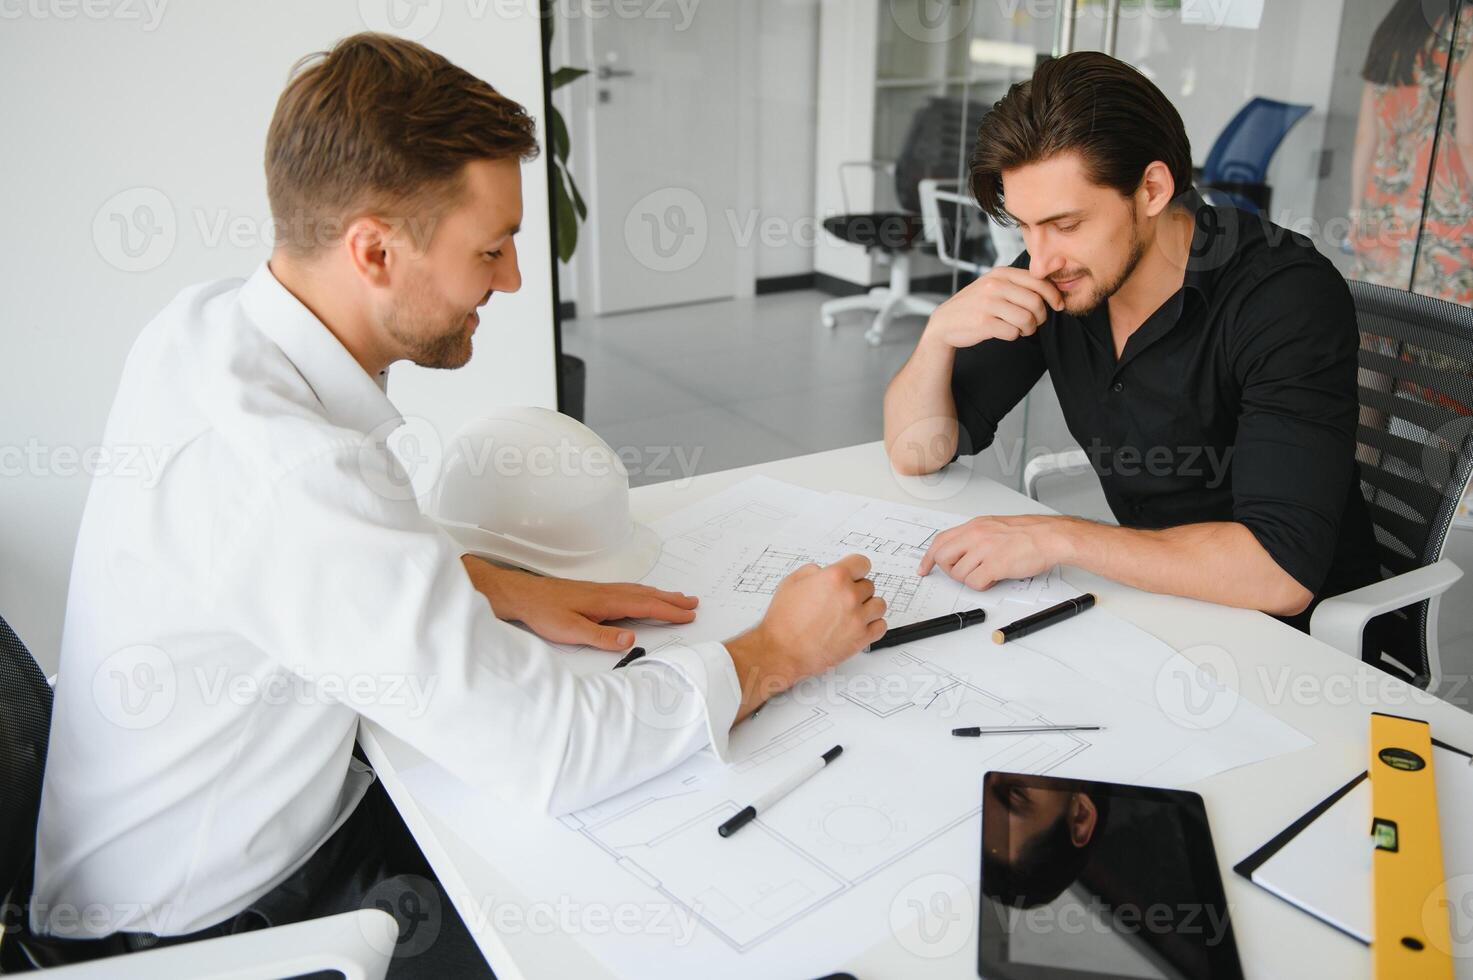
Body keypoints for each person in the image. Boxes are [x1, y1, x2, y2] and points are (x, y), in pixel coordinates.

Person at [24, 33, 886, 973]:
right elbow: (555, 751)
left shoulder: (206, 325)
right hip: (213, 922)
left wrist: (485, 581)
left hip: (175, 840)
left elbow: (286, 561)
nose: (514, 278)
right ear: (375, 250)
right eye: (491, 247)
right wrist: (776, 651)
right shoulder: (296, 476)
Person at [884, 51, 1381, 632]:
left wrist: (1057, 535)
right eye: (1024, 226)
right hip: (1156, 603)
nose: (1038, 258)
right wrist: (939, 334)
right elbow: (916, 452)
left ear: (1151, 189)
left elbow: (1280, 574)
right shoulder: (1062, 275)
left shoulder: (1284, 297)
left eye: (1067, 224)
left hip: (1293, 642)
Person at [1351, 0, 1473, 306]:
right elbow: (1469, 139)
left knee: (1379, 334)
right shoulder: (1467, 27)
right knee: (1440, 342)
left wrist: (1357, 214)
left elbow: (1366, 137)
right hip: (1447, 229)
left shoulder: (1391, 30)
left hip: (1382, 221)